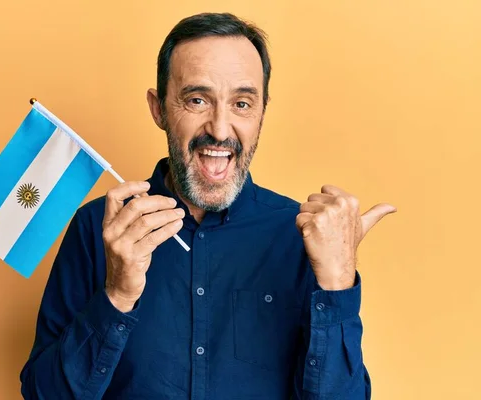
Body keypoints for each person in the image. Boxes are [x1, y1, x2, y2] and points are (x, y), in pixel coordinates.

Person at [20, 12, 396, 400]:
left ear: (262, 112)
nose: (219, 128)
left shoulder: (302, 237)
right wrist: (116, 296)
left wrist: (336, 285)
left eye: (242, 103)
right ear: (159, 109)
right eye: (197, 100)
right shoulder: (97, 228)